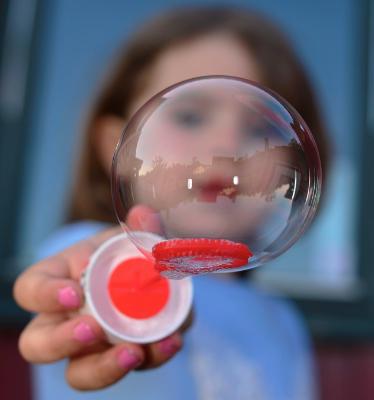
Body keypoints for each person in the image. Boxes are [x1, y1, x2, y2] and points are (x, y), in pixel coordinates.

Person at [13, 6, 329, 400]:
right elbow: (83, 274)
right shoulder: (95, 254)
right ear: (115, 145)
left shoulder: (282, 320)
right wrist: (101, 287)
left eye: (262, 128)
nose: (226, 146)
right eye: (191, 117)